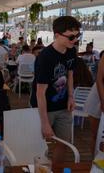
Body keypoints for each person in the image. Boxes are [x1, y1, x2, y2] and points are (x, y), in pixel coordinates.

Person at [30, 16, 81, 164]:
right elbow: (40, 93)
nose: (75, 40)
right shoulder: (45, 57)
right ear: (57, 35)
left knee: (63, 144)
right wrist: (45, 122)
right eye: (71, 37)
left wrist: (71, 96)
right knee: (39, 147)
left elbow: (70, 74)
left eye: (77, 36)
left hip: (64, 106)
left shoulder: (71, 51)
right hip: (44, 108)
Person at [84, 52, 104, 155]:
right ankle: (95, 165)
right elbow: (99, 79)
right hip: (98, 98)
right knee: (96, 135)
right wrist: (103, 101)